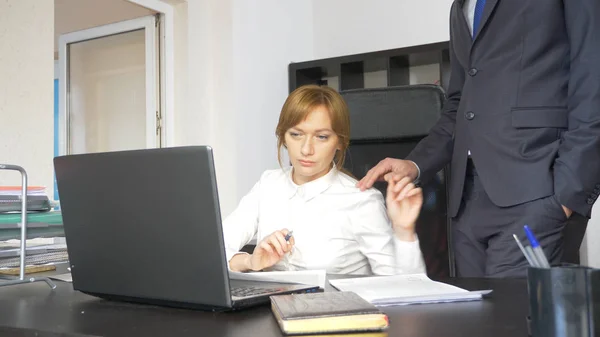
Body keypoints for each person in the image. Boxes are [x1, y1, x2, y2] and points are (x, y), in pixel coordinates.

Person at [358, 0, 600, 278]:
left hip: (535, 195)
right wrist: (415, 164)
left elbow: (593, 83)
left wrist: (567, 196)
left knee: (521, 320)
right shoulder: (460, 7)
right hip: (466, 204)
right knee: (474, 320)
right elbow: (460, 105)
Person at [223, 85, 425, 275]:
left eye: (321, 137)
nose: (306, 149)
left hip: (338, 310)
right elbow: (214, 249)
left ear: (339, 141)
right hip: (270, 309)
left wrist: (404, 232)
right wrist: (250, 262)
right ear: (283, 137)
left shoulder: (361, 200)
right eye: (296, 134)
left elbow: (400, 289)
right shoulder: (269, 183)